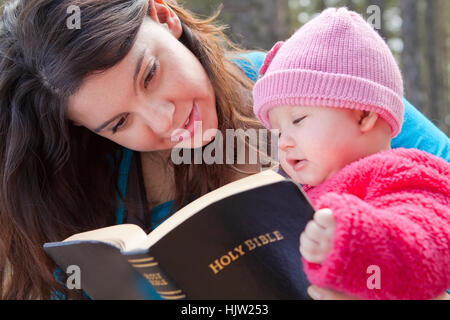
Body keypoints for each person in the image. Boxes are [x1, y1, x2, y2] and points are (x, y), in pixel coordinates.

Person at [0, 0, 447, 300]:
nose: (164, 121)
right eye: (119, 123)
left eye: (150, 74)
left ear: (164, 17)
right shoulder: (90, 188)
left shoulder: (317, 88)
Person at [252, 7, 449, 299]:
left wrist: (354, 240)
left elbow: (431, 247)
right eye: (277, 131)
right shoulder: (299, 193)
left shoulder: (404, 171)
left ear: (363, 114)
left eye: (298, 120)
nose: (283, 142)